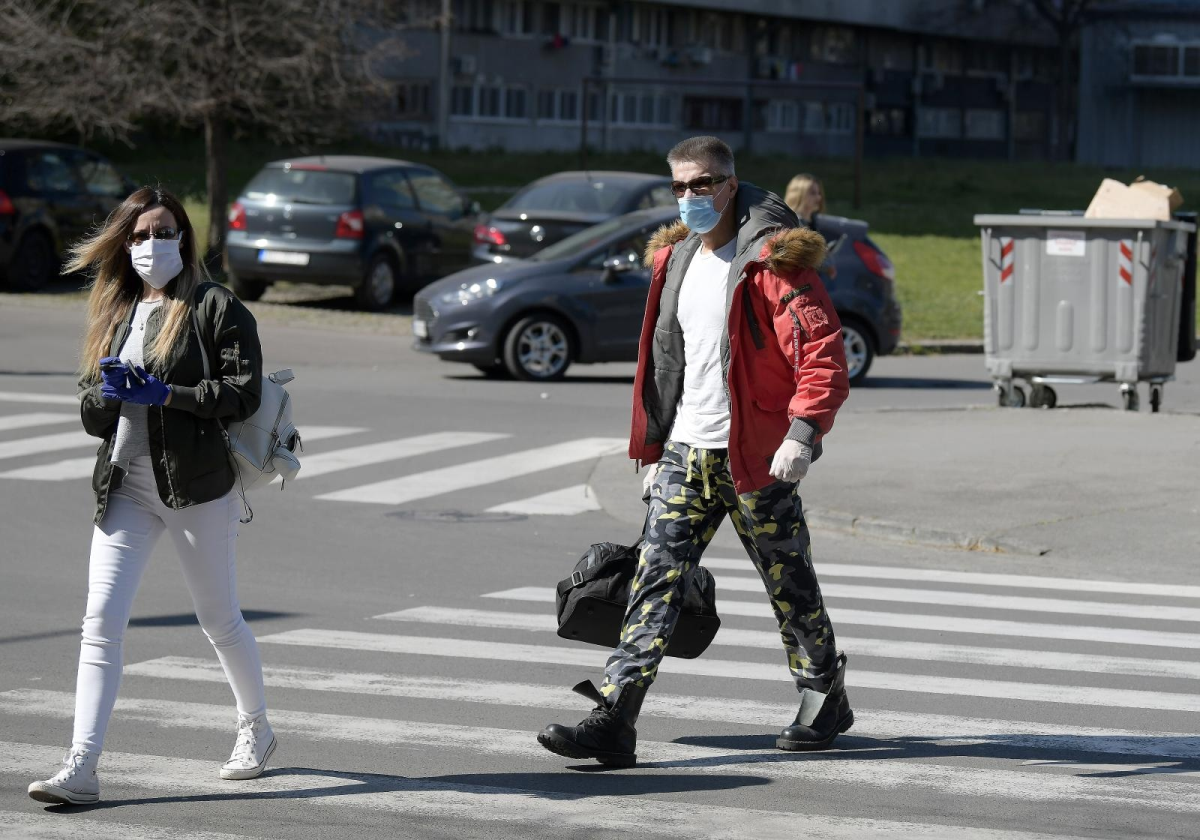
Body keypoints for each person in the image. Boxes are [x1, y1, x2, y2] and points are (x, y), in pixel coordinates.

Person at [538, 137, 851, 767]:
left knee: (789, 583)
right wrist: (654, 449)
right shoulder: (676, 260)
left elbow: (822, 356)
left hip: (756, 457)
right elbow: (666, 364)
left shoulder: (773, 261)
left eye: (703, 184)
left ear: (731, 185)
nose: (691, 197)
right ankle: (616, 716)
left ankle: (824, 694)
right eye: (680, 186)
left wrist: (802, 432)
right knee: (653, 581)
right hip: (687, 451)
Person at [28, 187, 276, 806]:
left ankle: (256, 728)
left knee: (219, 619)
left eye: (161, 231)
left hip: (195, 486)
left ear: (183, 239)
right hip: (125, 486)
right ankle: (81, 766)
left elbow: (242, 395)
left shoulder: (216, 306)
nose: (149, 245)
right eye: (137, 235)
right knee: (100, 627)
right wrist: (112, 393)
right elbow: (91, 412)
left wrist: (167, 395)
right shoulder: (116, 309)